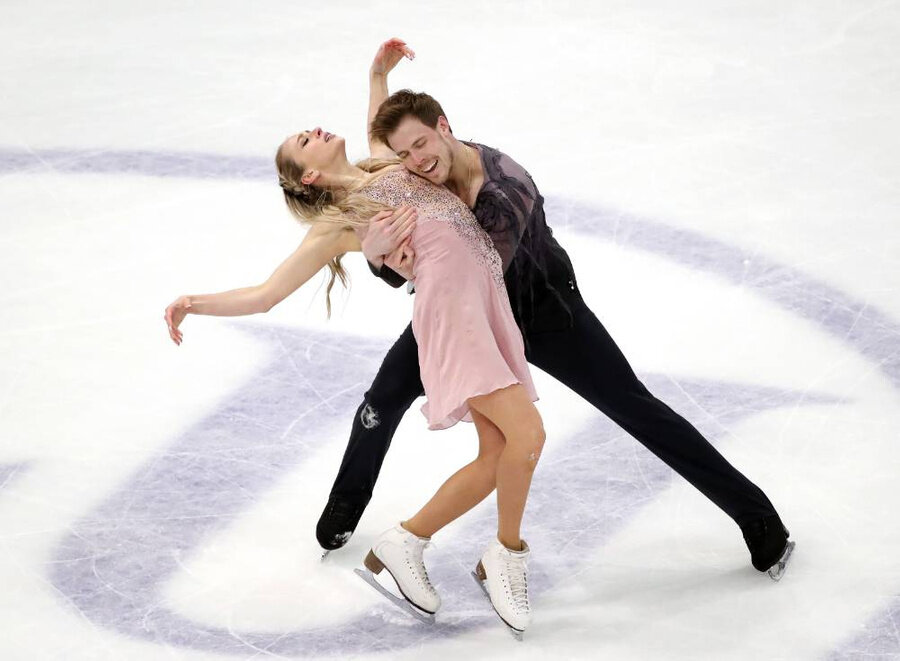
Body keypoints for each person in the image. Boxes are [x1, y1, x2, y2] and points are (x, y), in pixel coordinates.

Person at [317, 38, 795, 581]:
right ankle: (344, 506)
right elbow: (384, 157)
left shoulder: (506, 188)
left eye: (422, 145)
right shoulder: (416, 168)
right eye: (406, 155)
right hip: (468, 315)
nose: (416, 163)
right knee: (383, 398)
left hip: (542, 312)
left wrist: (385, 262)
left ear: (445, 127)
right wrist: (378, 81)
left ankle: (759, 519)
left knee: (635, 407)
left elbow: (468, 271)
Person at [164, 120, 545, 634]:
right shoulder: (341, 221)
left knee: (498, 455)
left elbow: (383, 124)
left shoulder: (382, 164)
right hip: (455, 321)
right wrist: (193, 302)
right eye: (304, 142)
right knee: (528, 436)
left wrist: (377, 79)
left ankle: (405, 543)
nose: (314, 131)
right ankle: (506, 553)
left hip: (486, 307)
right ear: (309, 177)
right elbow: (266, 294)